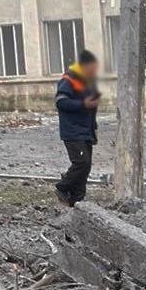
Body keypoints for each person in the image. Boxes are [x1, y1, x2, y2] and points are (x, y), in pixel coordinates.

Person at [54, 50, 101, 207]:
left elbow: (91, 107)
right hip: (72, 130)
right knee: (81, 162)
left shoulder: (88, 82)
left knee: (86, 167)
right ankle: (62, 188)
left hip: (85, 131)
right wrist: (83, 104)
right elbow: (61, 102)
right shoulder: (69, 80)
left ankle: (77, 201)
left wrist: (93, 129)